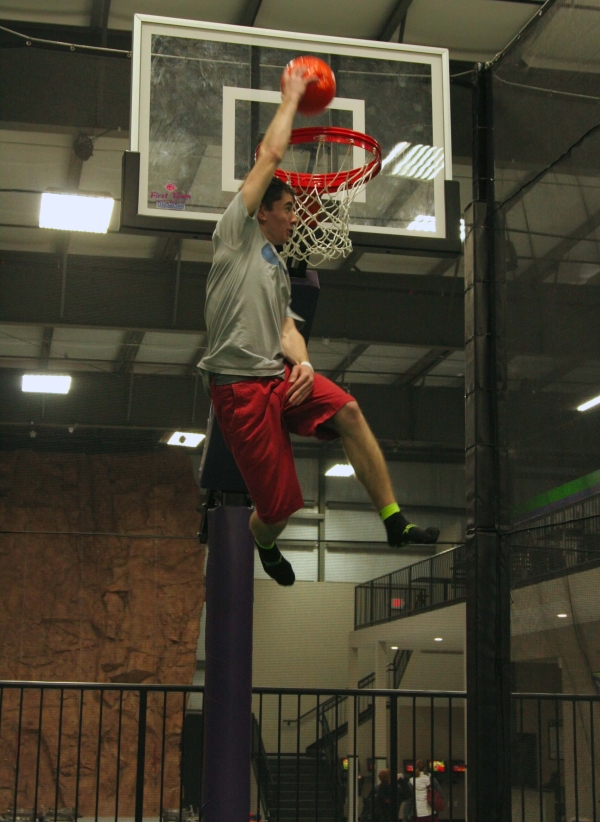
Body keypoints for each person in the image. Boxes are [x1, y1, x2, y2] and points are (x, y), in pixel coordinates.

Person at [198, 65, 440, 585]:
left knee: (349, 409)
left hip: (276, 376)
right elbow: (271, 157)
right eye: (287, 208)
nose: (295, 217)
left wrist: (304, 364)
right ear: (260, 212)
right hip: (239, 391)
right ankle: (262, 538)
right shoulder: (234, 236)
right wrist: (290, 98)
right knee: (279, 511)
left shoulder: (275, 267)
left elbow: (286, 331)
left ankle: (393, 521)